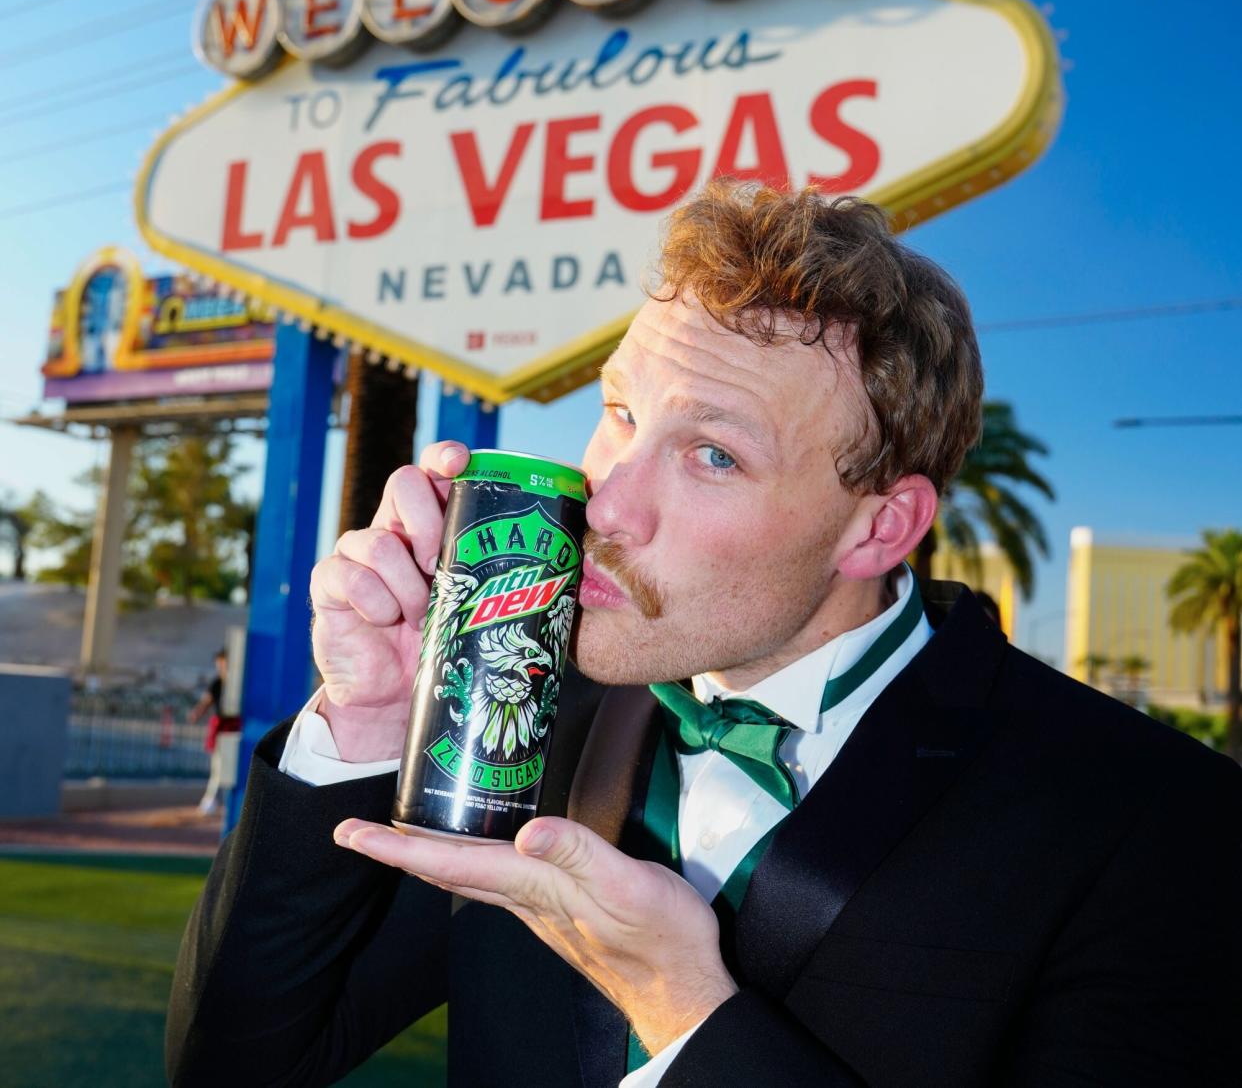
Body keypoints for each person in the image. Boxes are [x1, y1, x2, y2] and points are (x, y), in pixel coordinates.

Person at [166, 183, 1241, 1087]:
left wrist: (685, 1010)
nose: (608, 505)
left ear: (880, 526)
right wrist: (359, 723)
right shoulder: (514, 723)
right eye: (622, 414)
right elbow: (240, 1061)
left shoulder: (1155, 819)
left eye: (713, 454)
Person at [187, 648, 237, 816]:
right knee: (219, 765)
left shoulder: (238, 683)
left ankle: (217, 801)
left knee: (228, 766)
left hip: (235, 726)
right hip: (221, 727)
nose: (221, 668)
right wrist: (196, 713)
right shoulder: (217, 683)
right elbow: (206, 701)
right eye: (220, 665)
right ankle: (212, 800)